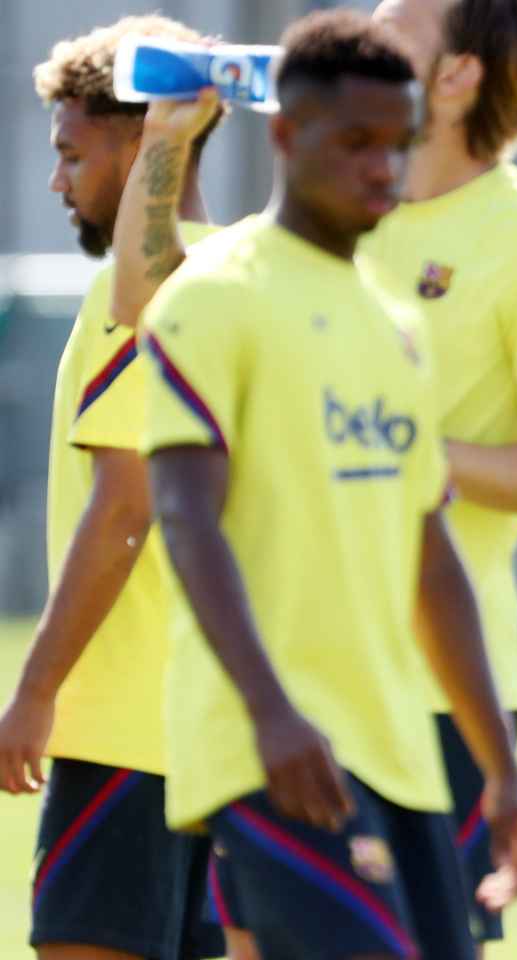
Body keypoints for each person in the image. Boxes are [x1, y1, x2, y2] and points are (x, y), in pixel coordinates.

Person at [136, 12, 517, 959]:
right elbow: (184, 515)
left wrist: (501, 770)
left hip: (398, 753)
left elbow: (430, 557)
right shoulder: (212, 295)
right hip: (266, 746)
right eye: (354, 142)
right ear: (284, 135)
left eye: (396, 146)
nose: (381, 168)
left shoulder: (394, 323)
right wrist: (272, 713)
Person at [362, 0, 517, 943]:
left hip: (439, 695)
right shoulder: (325, 209)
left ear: (458, 76)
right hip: (292, 677)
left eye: (392, 36)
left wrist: (402, 457)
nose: (360, 43)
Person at [0, 16, 226, 959]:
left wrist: (37, 689)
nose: (57, 179)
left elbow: (126, 505)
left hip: (127, 734)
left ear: (144, 140)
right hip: (221, 739)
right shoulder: (235, 270)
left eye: (70, 152)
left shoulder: (137, 294)